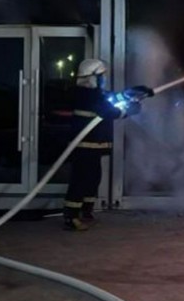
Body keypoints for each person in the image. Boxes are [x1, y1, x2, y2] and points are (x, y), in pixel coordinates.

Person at [63, 58, 152, 231]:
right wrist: (129, 110)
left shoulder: (94, 93)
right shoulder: (86, 95)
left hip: (93, 145)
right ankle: (71, 216)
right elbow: (108, 110)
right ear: (92, 77)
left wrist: (130, 93)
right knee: (80, 180)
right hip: (84, 146)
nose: (103, 79)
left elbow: (110, 98)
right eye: (101, 76)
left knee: (93, 178)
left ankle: (86, 211)